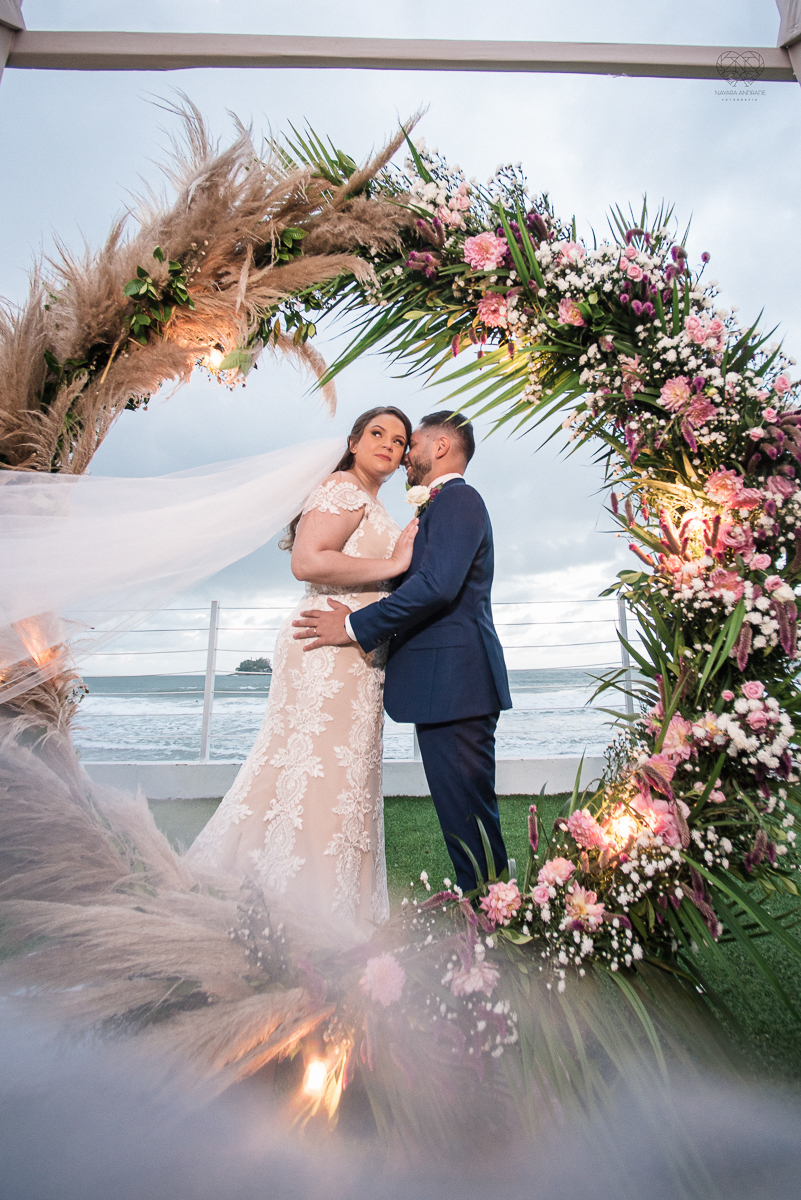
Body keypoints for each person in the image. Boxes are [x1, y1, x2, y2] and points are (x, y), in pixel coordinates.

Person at [186, 406, 418, 940]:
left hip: (357, 654)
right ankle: (296, 910)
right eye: (377, 433)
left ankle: (333, 909)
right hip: (324, 649)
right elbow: (308, 561)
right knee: (313, 773)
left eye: (399, 439)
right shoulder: (341, 488)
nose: (388, 443)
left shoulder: (373, 501)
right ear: (353, 443)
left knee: (343, 779)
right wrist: (394, 566)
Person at [293, 411, 512, 893]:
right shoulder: (436, 506)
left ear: (440, 448)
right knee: (463, 812)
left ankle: (494, 913)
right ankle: (490, 907)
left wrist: (353, 626)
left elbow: (436, 586)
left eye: (410, 443)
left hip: (457, 686)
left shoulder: (459, 499)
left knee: (468, 814)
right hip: (445, 687)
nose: (404, 455)